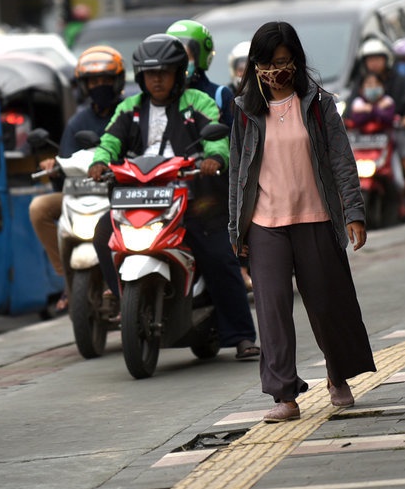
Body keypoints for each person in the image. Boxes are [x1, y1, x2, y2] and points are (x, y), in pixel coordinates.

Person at [228, 21, 375, 422]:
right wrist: (235, 230)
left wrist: (354, 213)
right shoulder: (243, 112)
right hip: (264, 225)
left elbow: (342, 160)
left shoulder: (318, 103)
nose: (276, 70)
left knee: (327, 304)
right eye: (267, 62)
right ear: (254, 66)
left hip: (317, 217)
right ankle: (284, 394)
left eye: (283, 61)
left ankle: (338, 375)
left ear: (295, 61)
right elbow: (237, 174)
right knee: (273, 311)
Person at [87, 33, 259, 360]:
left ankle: (240, 335)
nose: (157, 79)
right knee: (102, 234)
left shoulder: (199, 102)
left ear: (179, 73)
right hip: (137, 197)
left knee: (217, 253)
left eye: (164, 72)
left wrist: (215, 159)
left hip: (192, 197)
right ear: (140, 77)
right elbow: (108, 141)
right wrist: (99, 162)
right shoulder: (128, 108)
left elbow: (217, 141)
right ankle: (129, 305)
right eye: (151, 74)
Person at [29, 45, 126, 311]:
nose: (100, 86)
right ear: (84, 85)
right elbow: (66, 164)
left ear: (117, 80)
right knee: (39, 208)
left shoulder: (129, 111)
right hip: (80, 194)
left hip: (118, 195)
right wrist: (54, 165)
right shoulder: (77, 121)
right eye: (94, 81)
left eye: (105, 79)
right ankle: (66, 279)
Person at [166, 19, 252, 288]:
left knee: (221, 234)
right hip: (170, 184)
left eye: (185, 54)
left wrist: (215, 158)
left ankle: (242, 269)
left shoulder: (217, 94)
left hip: (211, 183)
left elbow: (232, 138)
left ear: (200, 56)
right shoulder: (158, 98)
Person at [354, 37, 405, 219]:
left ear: (387, 59)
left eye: (377, 58)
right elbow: (349, 106)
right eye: (370, 59)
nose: (374, 63)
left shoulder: (401, 81)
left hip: (395, 132)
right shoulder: (359, 82)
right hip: (366, 136)